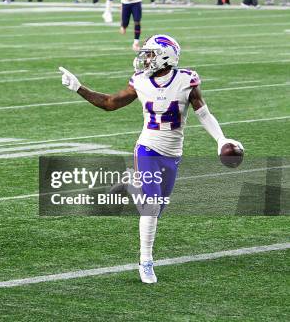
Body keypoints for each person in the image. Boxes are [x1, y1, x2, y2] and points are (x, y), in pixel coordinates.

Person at [59, 34, 242, 283]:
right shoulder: (140, 81)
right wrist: (79, 88)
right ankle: (145, 261)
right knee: (152, 206)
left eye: (151, 53)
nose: (145, 58)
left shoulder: (187, 80)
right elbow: (110, 103)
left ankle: (130, 185)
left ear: (166, 56)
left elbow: (204, 114)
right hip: (147, 148)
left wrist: (221, 140)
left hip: (172, 152)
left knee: (155, 211)